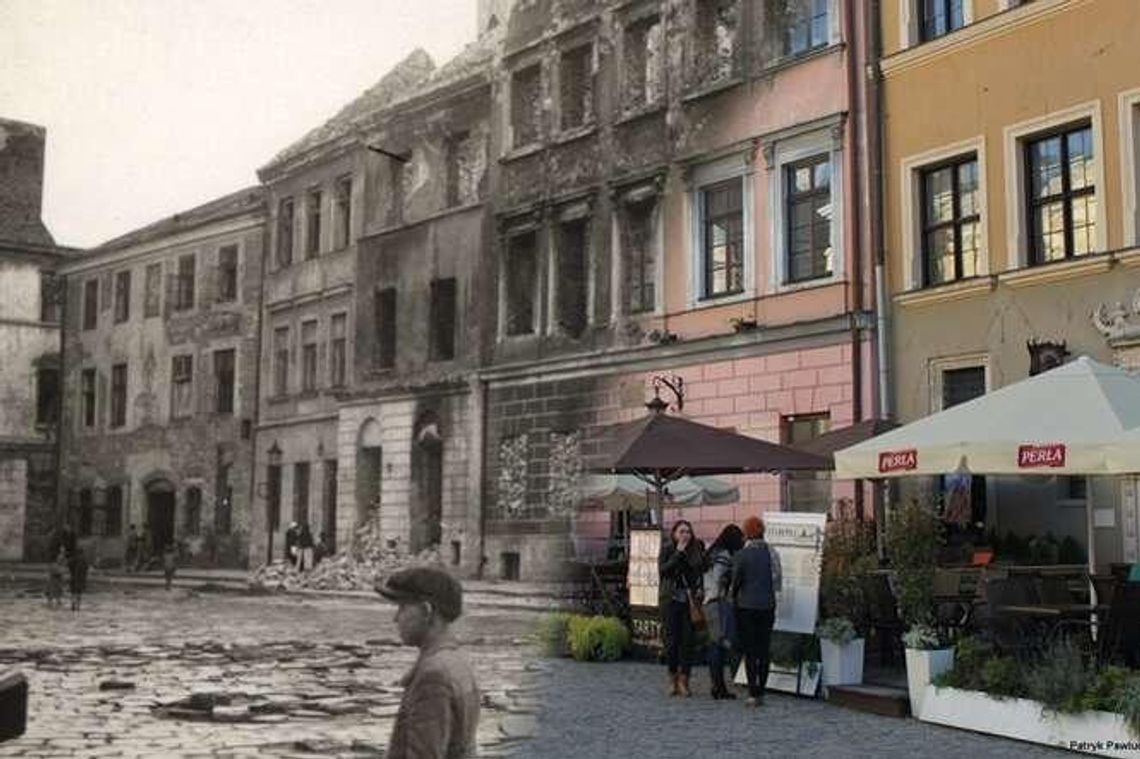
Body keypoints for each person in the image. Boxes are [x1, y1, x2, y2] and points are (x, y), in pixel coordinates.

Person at [376, 566, 480, 759]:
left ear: (426, 611)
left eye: (403, 607)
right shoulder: (457, 660)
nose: (396, 618)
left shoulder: (433, 676)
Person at [731, 516, 782, 707]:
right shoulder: (772, 552)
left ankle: (752, 692)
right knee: (764, 649)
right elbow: (777, 578)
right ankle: (762, 689)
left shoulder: (742, 554)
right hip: (767, 605)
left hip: (746, 606)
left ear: (746, 533)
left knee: (750, 650)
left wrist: (733, 596)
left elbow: (736, 580)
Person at [658, 519, 705, 698]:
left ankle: (684, 681)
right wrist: (678, 553)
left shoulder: (695, 551)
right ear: (675, 534)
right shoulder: (668, 549)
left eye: (688, 532)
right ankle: (672, 679)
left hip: (688, 602)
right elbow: (663, 571)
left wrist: (698, 587)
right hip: (670, 600)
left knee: (687, 642)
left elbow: (697, 574)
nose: (685, 535)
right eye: (682, 531)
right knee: (671, 642)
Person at [703, 523, 744, 700]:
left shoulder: (712, 552)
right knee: (718, 644)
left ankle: (717, 685)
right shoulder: (724, 555)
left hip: (708, 601)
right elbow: (720, 578)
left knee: (715, 643)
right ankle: (718, 686)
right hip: (717, 601)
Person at [69, 546, 88, 612]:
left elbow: (69, 567)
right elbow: (86, 569)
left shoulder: (72, 560)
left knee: (73, 593)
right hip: (80, 579)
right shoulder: (84, 560)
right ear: (82, 553)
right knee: (79, 593)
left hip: (73, 578)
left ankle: (73, 605)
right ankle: (78, 606)